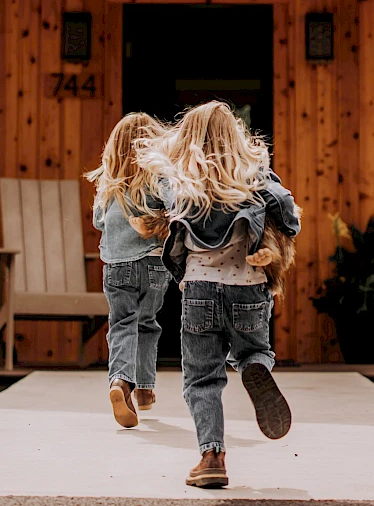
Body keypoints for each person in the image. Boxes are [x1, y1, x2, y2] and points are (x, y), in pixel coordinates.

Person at [136, 101, 301, 488]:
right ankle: (254, 366)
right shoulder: (253, 174)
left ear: (187, 139)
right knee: (253, 350)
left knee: (201, 378)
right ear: (237, 137)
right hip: (248, 288)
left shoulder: (182, 181)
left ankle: (212, 456)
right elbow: (288, 213)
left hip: (198, 291)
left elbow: (155, 212)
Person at [85, 112, 171, 429]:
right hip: (153, 263)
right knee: (147, 322)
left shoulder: (108, 183)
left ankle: (121, 383)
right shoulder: (157, 177)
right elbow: (175, 207)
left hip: (117, 266)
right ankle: (146, 389)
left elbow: (98, 222)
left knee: (123, 323)